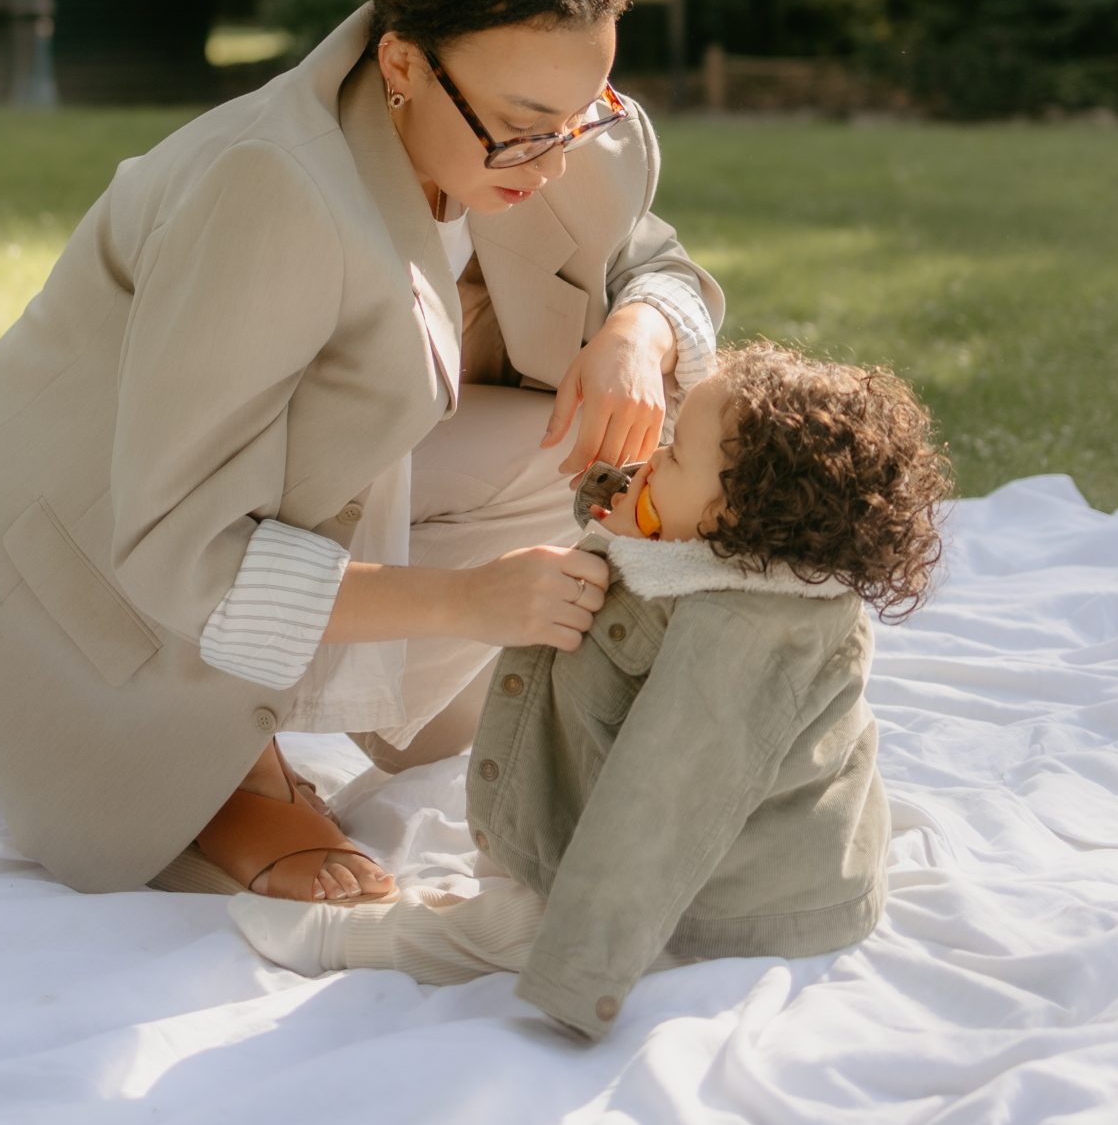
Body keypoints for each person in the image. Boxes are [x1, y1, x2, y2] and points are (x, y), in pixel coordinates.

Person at [0, 0, 723, 903]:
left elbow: (653, 260)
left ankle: (404, 697)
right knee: (299, 586)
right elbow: (184, 549)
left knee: (626, 426)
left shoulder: (549, 126)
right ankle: (224, 772)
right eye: (526, 121)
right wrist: (462, 600)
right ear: (401, 60)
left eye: (581, 114)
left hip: (300, 474)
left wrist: (635, 330)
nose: (550, 158)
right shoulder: (268, 189)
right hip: (81, 540)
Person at [232, 344, 952, 1038]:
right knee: (532, 873)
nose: (650, 460)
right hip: (728, 843)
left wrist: (581, 977)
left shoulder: (735, 642)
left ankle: (365, 941)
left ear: (729, 516)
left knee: (512, 928)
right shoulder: (704, 550)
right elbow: (627, 531)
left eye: (671, 455)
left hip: (719, 891)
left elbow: (659, 806)